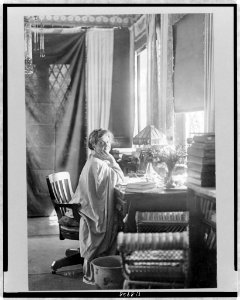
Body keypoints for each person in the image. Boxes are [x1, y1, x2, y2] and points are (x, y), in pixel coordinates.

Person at [70, 129, 124, 285]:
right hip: (94, 211)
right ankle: (98, 273)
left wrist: (111, 163)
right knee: (117, 221)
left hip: (93, 207)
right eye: (101, 143)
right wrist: (113, 163)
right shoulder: (96, 163)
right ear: (93, 144)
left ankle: (101, 270)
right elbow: (120, 179)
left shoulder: (97, 160)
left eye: (108, 142)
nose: (106, 146)